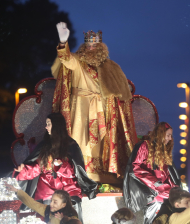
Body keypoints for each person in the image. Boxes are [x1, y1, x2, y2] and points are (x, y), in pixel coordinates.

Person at [51, 22, 138, 183]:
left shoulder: (111, 67)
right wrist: (63, 43)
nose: (91, 48)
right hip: (80, 108)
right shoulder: (77, 61)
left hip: (102, 110)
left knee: (101, 142)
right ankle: (80, 172)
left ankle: (102, 175)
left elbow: (120, 94)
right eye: (88, 45)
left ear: (100, 46)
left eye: (94, 45)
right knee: (80, 139)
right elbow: (66, 59)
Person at [13, 112, 97, 221]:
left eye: (49, 124)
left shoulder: (71, 145)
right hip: (46, 192)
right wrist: (23, 171)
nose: (46, 127)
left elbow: (75, 170)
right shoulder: (44, 145)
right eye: (46, 124)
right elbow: (37, 167)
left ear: (56, 125)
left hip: (68, 192)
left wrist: (58, 165)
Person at [123, 122, 180, 224]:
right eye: (168, 135)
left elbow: (167, 173)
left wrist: (173, 187)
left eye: (170, 136)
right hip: (147, 187)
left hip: (161, 187)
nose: (170, 139)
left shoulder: (163, 151)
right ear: (160, 134)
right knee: (157, 205)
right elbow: (136, 167)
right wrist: (155, 183)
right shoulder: (145, 145)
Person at [4, 184, 78, 224]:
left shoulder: (72, 216)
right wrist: (17, 191)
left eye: (55, 202)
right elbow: (32, 203)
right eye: (51, 200)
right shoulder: (47, 210)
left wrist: (64, 219)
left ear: (63, 205)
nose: (51, 204)